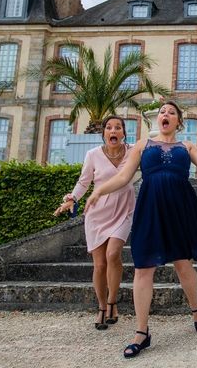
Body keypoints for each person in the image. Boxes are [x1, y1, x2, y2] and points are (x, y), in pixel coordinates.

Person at [85, 101, 197, 358]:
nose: (166, 114)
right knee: (143, 268)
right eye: (162, 111)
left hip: (180, 209)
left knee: (184, 265)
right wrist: (98, 190)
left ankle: (196, 311)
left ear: (178, 122)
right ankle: (141, 332)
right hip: (150, 208)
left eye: (171, 112)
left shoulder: (186, 146)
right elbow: (123, 177)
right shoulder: (142, 145)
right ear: (157, 119)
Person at [53, 115, 135, 330]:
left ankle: (112, 302)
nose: (113, 130)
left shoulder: (134, 151)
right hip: (97, 213)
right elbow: (83, 182)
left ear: (123, 133)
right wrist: (71, 199)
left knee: (113, 254)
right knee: (99, 265)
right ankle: (101, 307)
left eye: (118, 127)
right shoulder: (93, 155)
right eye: (109, 127)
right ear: (104, 133)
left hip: (124, 209)